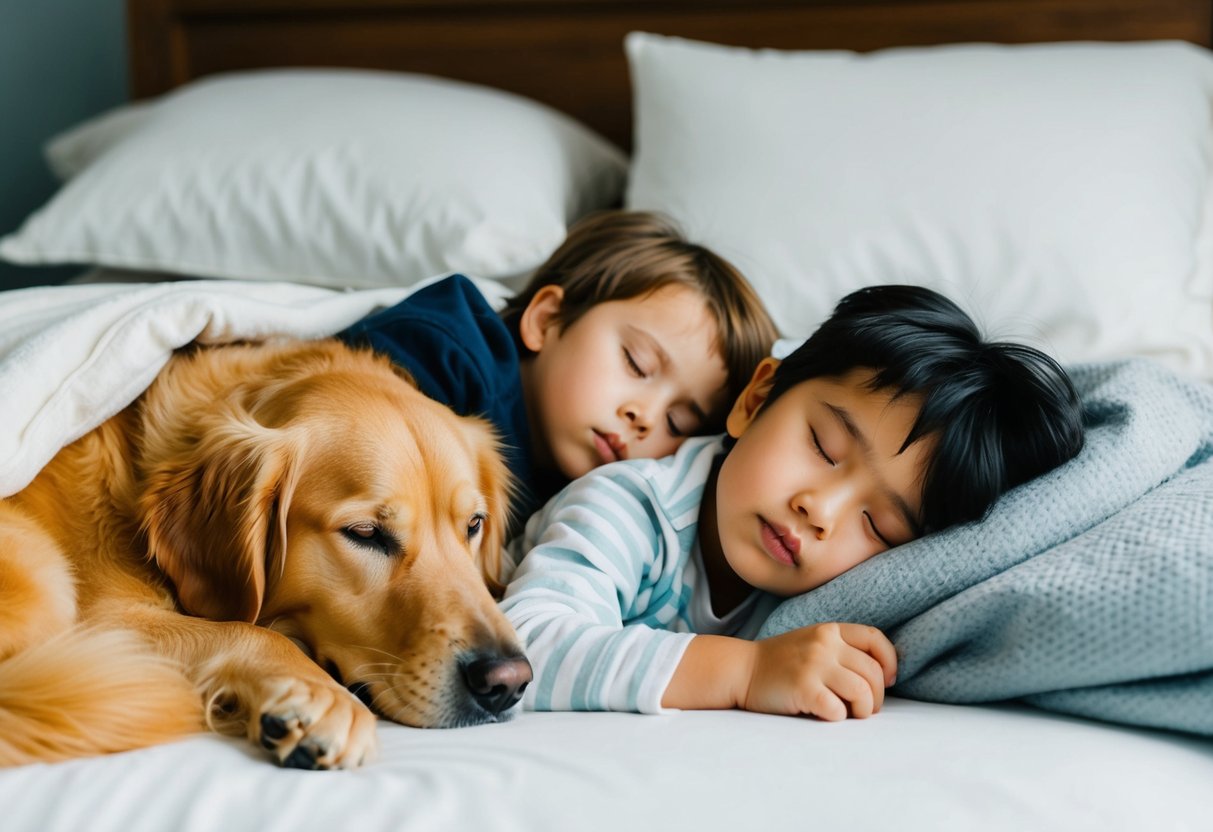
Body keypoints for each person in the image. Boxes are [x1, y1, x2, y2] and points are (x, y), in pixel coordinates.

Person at [499, 284, 1085, 720]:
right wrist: (746, 671)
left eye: (877, 525)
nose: (820, 510)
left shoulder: (833, 595)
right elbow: (527, 648)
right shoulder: (631, 503)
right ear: (754, 401)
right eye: (824, 448)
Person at [337, 210, 778, 530]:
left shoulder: (589, 498)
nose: (644, 417)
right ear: (546, 318)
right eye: (636, 363)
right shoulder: (444, 354)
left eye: (678, 420)